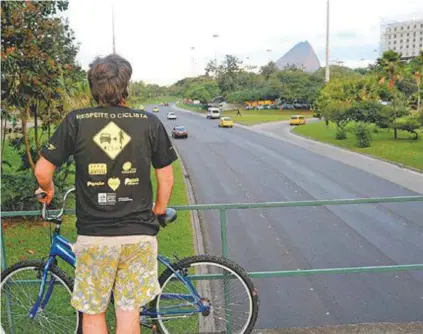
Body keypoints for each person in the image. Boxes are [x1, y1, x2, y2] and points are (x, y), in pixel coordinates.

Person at [34, 54, 177, 334]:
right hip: (139, 236)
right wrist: (158, 211)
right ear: (126, 86)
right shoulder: (148, 122)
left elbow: (42, 171)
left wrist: (48, 189)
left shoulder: (77, 120)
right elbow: (167, 177)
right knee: (128, 310)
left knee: (93, 313)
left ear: (93, 87)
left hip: (95, 237)